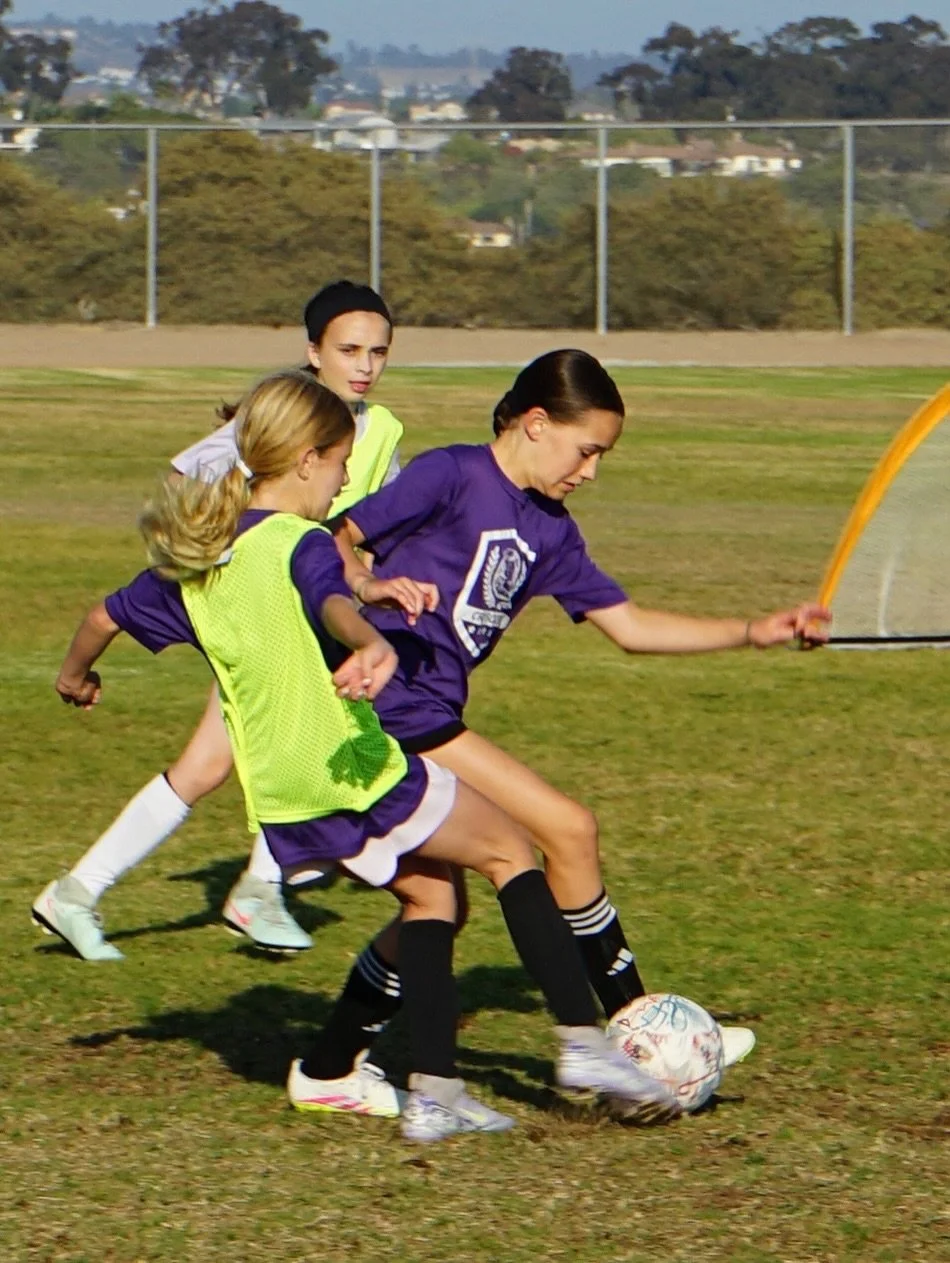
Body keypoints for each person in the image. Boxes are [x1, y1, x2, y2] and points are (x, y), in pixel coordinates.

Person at [48, 369, 680, 1140]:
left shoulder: (205, 557)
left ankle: (415, 1087)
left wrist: (75, 674)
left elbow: (102, 613)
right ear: (309, 459)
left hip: (282, 797)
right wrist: (372, 634)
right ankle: (583, 1044)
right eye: (345, 463)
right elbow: (329, 598)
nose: (348, 479)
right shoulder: (302, 541)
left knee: (434, 897)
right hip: (350, 768)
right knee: (514, 847)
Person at [330, 348, 830, 1075]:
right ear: (536, 423)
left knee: (437, 906)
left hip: (429, 705)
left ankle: (332, 1061)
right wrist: (368, 587)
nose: (590, 471)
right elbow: (338, 538)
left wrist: (753, 630)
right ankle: (639, 1030)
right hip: (388, 701)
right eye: (586, 449)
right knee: (566, 826)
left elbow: (629, 627)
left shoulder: (552, 530)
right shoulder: (453, 473)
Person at [33, 281, 416, 959]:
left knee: (211, 764)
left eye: (378, 351)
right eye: (348, 348)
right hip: (259, 616)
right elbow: (188, 481)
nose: (365, 364)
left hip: (306, 615)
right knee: (298, 743)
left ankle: (80, 892)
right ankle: (261, 887)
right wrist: (227, 562)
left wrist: (369, 581)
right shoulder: (272, 421)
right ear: (313, 351)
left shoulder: (381, 431)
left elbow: (346, 535)